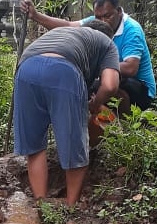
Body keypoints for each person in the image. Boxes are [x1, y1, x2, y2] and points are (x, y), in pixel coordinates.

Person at [13, 23, 120, 206]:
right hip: (63, 70)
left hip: (26, 70)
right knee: (75, 145)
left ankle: (41, 203)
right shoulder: (107, 44)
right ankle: (71, 206)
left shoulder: (66, 33)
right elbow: (110, 86)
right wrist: (95, 104)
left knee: (35, 148)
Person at [21, 0, 156, 113]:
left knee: (110, 81)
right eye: (98, 17)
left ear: (119, 11)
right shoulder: (95, 22)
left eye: (107, 16)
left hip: (139, 89)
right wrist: (35, 15)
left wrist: (101, 68)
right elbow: (68, 26)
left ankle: (126, 122)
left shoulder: (132, 29)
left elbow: (131, 68)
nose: (103, 21)